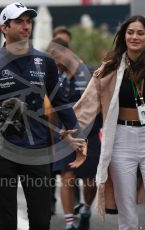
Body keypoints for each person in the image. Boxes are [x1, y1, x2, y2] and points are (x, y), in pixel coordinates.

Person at [0, 3, 87, 230]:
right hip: (2, 150)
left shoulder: (44, 61)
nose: (26, 26)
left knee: (40, 219)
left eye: (29, 21)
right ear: (4, 27)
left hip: (38, 151)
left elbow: (60, 101)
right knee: (6, 221)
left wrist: (78, 135)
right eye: (19, 22)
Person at [73, 15, 145, 230]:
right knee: (127, 216)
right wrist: (68, 131)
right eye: (130, 32)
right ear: (123, 36)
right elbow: (88, 104)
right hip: (121, 140)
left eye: (140, 33)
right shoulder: (110, 67)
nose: (135, 37)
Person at [47, 38, 102, 230]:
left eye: (56, 57)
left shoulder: (90, 73)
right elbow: (52, 108)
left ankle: (86, 209)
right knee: (67, 177)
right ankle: (70, 223)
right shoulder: (56, 77)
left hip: (90, 134)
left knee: (90, 181)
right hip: (64, 136)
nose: (55, 63)